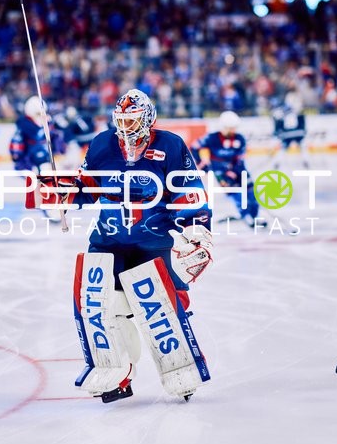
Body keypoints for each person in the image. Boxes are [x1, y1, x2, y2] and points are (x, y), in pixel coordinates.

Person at [37, 89, 213, 402]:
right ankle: (119, 373)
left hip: (153, 239)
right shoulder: (103, 143)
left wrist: (196, 228)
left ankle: (180, 368)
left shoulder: (170, 145)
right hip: (108, 239)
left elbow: (189, 191)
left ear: (147, 118)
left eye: (132, 120)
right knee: (100, 305)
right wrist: (61, 192)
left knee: (161, 307)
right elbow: (89, 186)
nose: (126, 126)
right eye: (121, 119)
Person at [191, 110, 259, 227]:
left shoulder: (240, 139)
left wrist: (233, 171)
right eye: (229, 128)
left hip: (239, 170)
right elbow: (194, 147)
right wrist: (202, 164)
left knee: (252, 194)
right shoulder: (211, 138)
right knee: (236, 195)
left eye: (234, 127)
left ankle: (255, 216)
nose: (232, 130)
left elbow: (240, 158)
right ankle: (246, 215)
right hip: (221, 173)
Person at [10, 95, 50, 172]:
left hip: (44, 158)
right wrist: (16, 153)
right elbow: (17, 141)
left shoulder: (47, 124)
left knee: (46, 171)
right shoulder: (24, 126)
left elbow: (53, 139)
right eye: (38, 114)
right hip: (27, 161)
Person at [271, 90, 309, 169]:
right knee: (302, 147)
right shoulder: (297, 109)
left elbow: (278, 122)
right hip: (297, 132)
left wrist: (278, 132)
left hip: (287, 134)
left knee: (283, 148)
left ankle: (277, 163)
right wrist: (303, 131)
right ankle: (306, 161)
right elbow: (302, 120)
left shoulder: (282, 110)